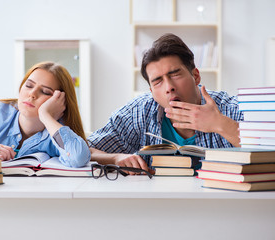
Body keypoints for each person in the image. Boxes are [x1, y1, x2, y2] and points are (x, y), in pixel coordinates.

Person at [88, 33, 243, 173]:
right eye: (158, 82)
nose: (169, 87)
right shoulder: (140, 111)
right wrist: (116, 158)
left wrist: (220, 124)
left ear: (195, 76)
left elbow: (266, 149)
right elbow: (86, 151)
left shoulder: (228, 108)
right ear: (151, 92)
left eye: (175, 74)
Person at [0, 61, 90, 168]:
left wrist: (45, 115)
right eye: (29, 85)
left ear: (59, 100)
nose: (31, 94)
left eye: (45, 92)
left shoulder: (58, 132)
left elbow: (77, 158)